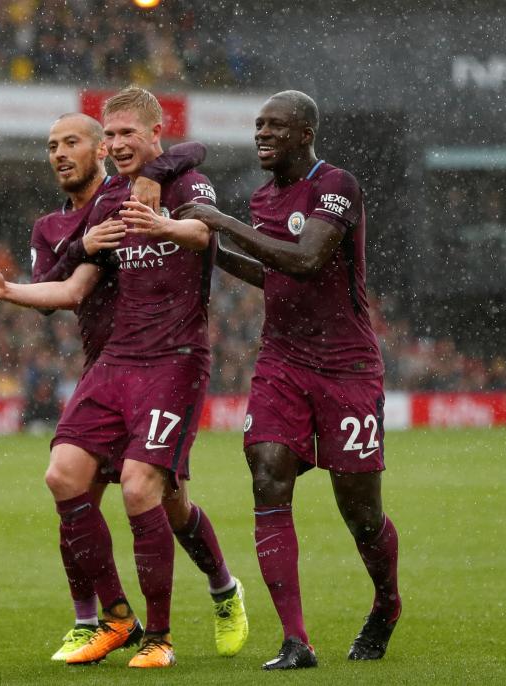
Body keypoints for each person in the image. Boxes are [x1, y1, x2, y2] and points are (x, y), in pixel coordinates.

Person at [0, 87, 238, 668]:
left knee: (155, 496)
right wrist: (5, 289)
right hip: (113, 363)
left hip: (174, 360)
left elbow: (202, 232)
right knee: (64, 476)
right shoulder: (108, 199)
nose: (116, 145)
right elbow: (69, 289)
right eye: (109, 135)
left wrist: (161, 222)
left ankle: (177, 625)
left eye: (123, 134)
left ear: (153, 133)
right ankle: (111, 618)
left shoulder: (187, 184)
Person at [175, 90, 401, 669]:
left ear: (305, 134)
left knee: (361, 513)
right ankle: (296, 641)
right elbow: (274, 273)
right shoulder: (261, 196)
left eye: (275, 126)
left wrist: (221, 223)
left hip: (347, 365)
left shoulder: (336, 186)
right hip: (282, 360)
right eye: (257, 125)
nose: (262, 135)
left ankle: (386, 603)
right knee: (268, 473)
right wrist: (213, 250)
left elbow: (305, 259)